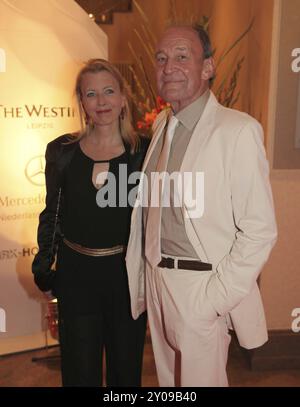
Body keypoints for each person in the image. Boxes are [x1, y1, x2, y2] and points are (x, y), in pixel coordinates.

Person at [125, 25, 278, 386]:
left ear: (207, 67)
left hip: (201, 288)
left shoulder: (237, 131)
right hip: (160, 281)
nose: (168, 67)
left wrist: (212, 301)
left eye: (181, 56)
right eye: (161, 58)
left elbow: (259, 231)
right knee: (169, 386)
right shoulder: (164, 123)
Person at [32, 59, 148, 387]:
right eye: (91, 94)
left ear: (124, 98)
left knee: (125, 374)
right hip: (76, 277)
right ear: (82, 102)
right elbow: (52, 211)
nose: (101, 102)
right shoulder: (62, 152)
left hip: (126, 277)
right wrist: (44, 263)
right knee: (79, 373)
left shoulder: (144, 151)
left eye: (109, 92)